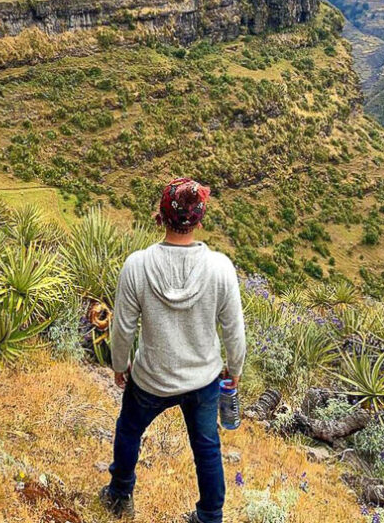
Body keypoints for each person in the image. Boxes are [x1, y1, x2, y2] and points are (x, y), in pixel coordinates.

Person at [99, 177, 246, 522]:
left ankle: (120, 495)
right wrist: (234, 369)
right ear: (199, 219)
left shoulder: (138, 265)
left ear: (162, 217)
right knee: (207, 448)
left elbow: (123, 327)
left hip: (152, 377)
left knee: (129, 430)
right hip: (203, 379)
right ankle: (210, 515)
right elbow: (233, 329)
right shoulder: (220, 268)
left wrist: (119, 364)